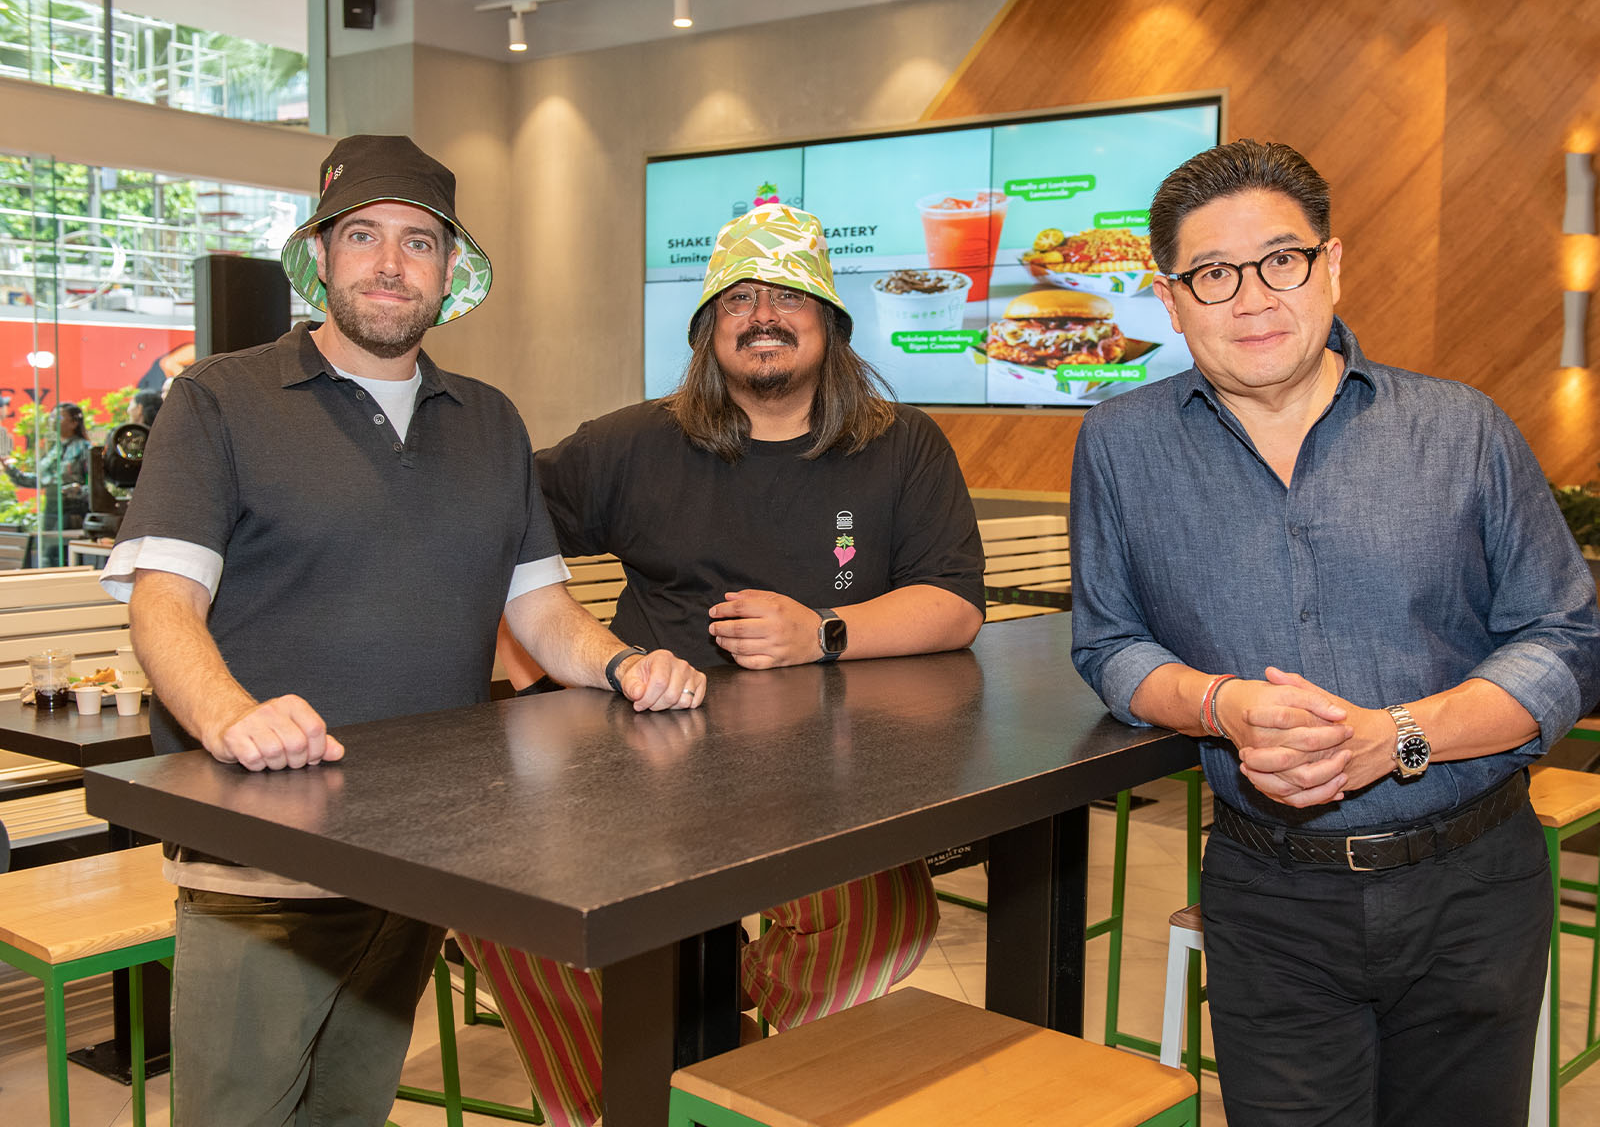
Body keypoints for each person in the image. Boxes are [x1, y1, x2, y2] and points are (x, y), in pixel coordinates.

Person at [98, 134, 704, 1127]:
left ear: (450, 272)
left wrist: (627, 665)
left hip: (426, 854)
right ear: (322, 258)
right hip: (266, 860)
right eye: (364, 237)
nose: (390, 264)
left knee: (351, 1111)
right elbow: (165, 601)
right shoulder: (220, 401)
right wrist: (232, 718)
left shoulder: (491, 423)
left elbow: (543, 615)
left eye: (419, 242)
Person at [1070, 139, 1600, 1126]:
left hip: (1472, 886)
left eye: (1282, 259)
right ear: (1168, 295)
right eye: (1212, 274)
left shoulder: (1461, 430)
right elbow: (1108, 642)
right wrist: (1220, 704)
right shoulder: (1118, 446)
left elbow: (1566, 637)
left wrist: (1396, 735)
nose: (1253, 297)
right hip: (1269, 896)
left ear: (1332, 264)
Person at [460, 203, 987, 1127]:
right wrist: (545, 664)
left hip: (830, 778)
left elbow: (954, 601)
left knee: (887, 923)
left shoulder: (902, 446)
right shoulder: (631, 444)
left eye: (788, 296)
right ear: (708, 331)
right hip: (632, 768)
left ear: (830, 323)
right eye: (738, 299)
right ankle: (631, 1100)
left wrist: (821, 631)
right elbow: (491, 533)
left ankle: (718, 1030)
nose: (763, 315)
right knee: (517, 920)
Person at [4, 402, 92, 562]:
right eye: (51, 416)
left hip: (72, 513)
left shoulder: (85, 448)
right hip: (51, 510)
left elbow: (95, 486)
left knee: (65, 556)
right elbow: (42, 480)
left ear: (74, 423)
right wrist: (12, 471)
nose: (52, 420)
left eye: (58, 417)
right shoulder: (55, 449)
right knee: (48, 556)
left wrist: (78, 491)